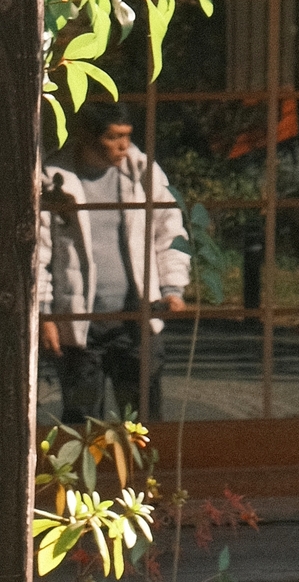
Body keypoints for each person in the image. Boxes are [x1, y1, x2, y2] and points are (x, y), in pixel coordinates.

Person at [40, 100, 190, 424]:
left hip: (135, 320)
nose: (124, 146)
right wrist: (44, 314)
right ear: (85, 136)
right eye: (113, 137)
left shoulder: (141, 171)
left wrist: (172, 286)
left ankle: (142, 477)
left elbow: (170, 230)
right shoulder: (53, 178)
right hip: (80, 323)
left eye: (128, 136)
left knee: (142, 421)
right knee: (81, 423)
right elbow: (39, 254)